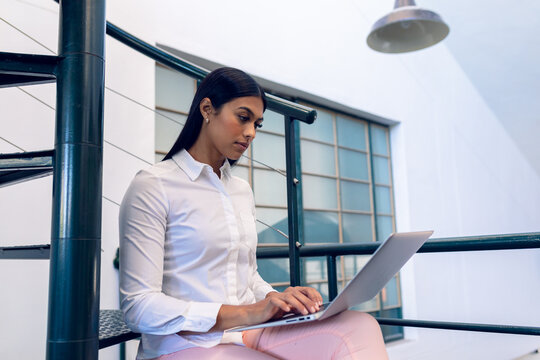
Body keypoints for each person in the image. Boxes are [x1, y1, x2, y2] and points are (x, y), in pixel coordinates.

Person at [119, 67, 389, 359]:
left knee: (359, 325)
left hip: (248, 333)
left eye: (257, 124)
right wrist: (247, 313)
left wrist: (276, 298)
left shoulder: (240, 190)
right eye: (243, 117)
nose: (250, 133)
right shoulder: (153, 185)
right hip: (185, 346)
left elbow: (246, 276)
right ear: (207, 109)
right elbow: (139, 307)